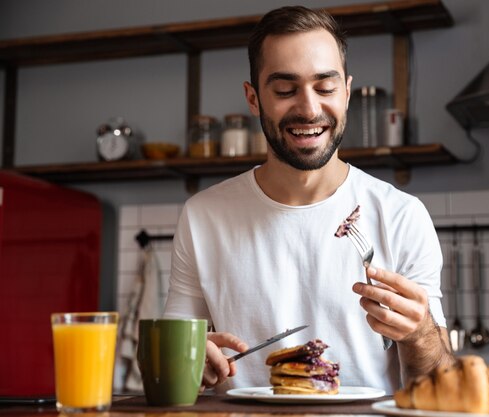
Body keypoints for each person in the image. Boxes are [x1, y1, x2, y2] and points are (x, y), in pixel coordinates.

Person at [163, 5, 453, 394]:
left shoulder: (402, 215)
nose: (309, 108)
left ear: (347, 92)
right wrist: (191, 363)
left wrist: (421, 336)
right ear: (253, 99)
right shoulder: (203, 216)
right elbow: (172, 372)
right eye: (285, 90)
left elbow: (440, 390)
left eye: (326, 87)